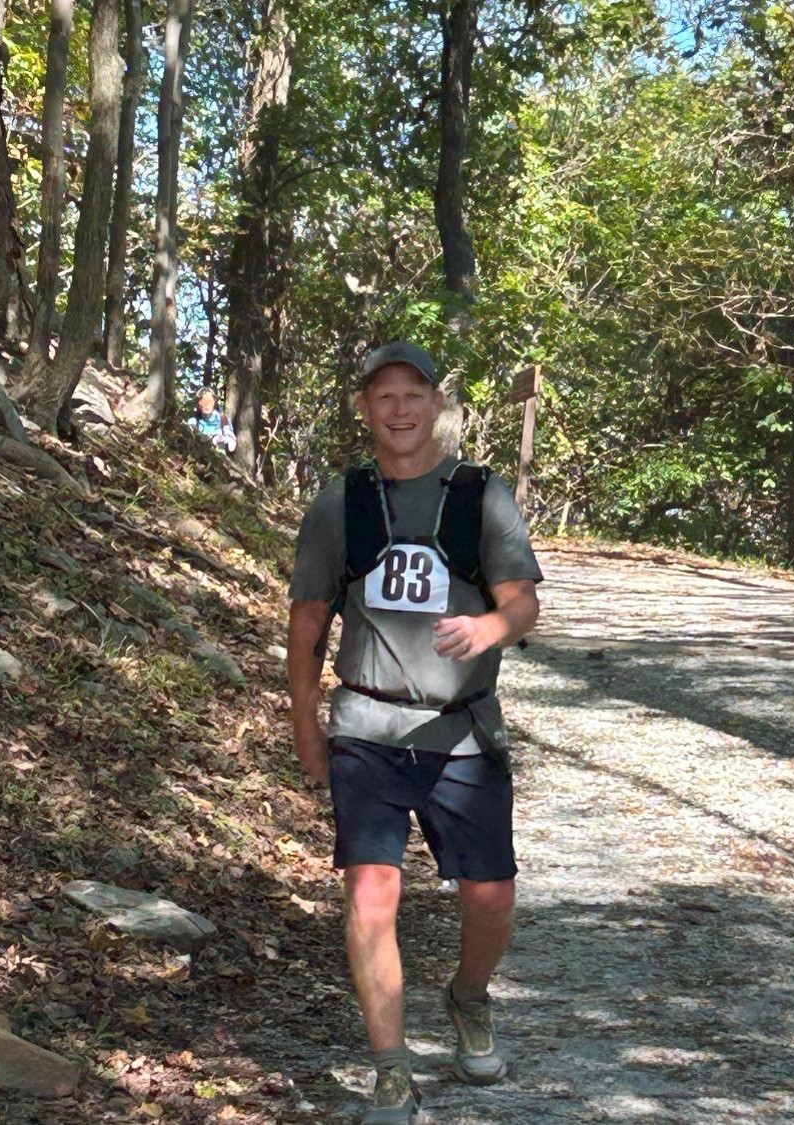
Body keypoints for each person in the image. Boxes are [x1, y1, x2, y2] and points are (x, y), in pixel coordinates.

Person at [287, 341, 542, 1125]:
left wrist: (491, 626)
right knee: (371, 892)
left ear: (436, 405)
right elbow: (307, 625)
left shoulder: (481, 496)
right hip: (366, 727)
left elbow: (523, 600)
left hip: (460, 731)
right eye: (384, 396)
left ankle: (468, 993)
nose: (399, 409)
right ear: (365, 409)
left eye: (413, 394)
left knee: (491, 897)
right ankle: (391, 1072)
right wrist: (305, 723)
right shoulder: (341, 503)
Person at [186, 386, 236, 453]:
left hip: (218, 456)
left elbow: (232, 445)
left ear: (214, 402)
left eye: (209, 401)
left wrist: (225, 439)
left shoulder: (223, 419)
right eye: (203, 401)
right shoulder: (193, 421)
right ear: (198, 404)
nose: (207, 405)